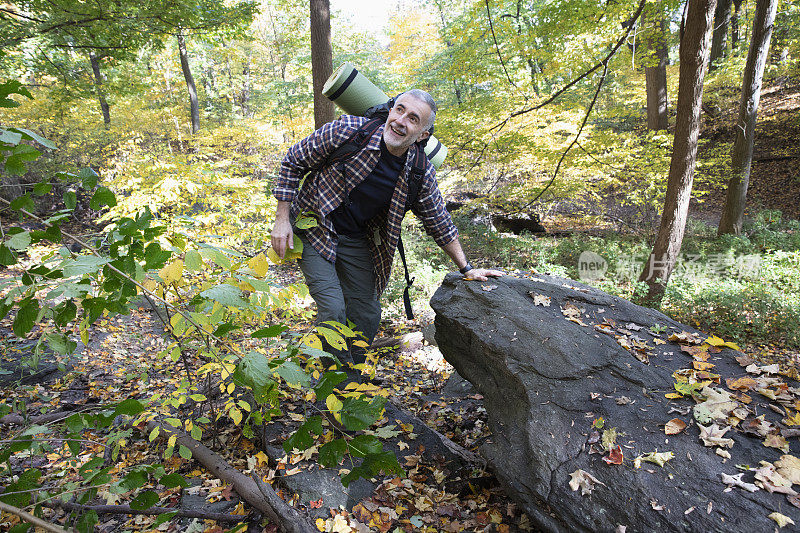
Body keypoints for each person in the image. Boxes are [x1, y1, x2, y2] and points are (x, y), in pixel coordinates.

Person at [271, 89, 502, 366]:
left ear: (422, 135)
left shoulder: (419, 171)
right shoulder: (347, 131)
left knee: (366, 316)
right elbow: (293, 160)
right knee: (333, 311)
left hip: (358, 240)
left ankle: (349, 380)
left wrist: (466, 268)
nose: (401, 121)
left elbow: (438, 221)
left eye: (413, 119)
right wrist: (282, 219)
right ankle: (332, 387)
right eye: (399, 110)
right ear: (390, 110)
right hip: (314, 227)